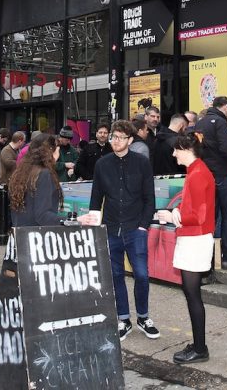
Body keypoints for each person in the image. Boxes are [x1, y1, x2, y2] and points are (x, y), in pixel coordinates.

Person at [84, 120, 159, 341]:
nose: (115, 141)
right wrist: (95, 223)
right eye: (113, 137)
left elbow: (149, 198)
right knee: (116, 275)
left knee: (142, 275)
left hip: (135, 228)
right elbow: (96, 197)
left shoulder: (142, 163)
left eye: (119, 137)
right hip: (110, 228)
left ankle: (143, 317)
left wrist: (143, 226)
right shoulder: (102, 164)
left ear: (130, 140)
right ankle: (123, 319)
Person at [153, 132, 215, 364]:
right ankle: (199, 346)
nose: (173, 154)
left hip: (195, 239)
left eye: (175, 149)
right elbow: (195, 209)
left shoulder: (198, 173)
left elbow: (197, 216)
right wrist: (177, 212)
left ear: (186, 150)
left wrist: (171, 214)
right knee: (192, 295)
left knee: (192, 295)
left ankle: (200, 348)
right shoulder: (197, 170)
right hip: (194, 238)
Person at [194, 96, 227, 269]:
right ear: (226, 107)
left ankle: (209, 256)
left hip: (206, 175)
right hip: (223, 174)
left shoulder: (201, 123)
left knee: (209, 215)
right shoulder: (221, 123)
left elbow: (197, 149)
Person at [8, 133, 64, 227]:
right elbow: (42, 215)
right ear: (51, 151)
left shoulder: (22, 171)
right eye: (57, 148)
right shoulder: (44, 174)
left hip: (22, 232)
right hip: (36, 235)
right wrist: (71, 220)